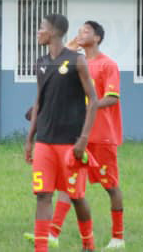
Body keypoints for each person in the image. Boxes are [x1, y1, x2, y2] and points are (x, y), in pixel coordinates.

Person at [25, 13, 99, 252]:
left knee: (76, 196)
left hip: (70, 142)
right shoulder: (41, 62)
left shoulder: (77, 60)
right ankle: (41, 248)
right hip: (45, 141)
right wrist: (30, 140)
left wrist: (83, 139)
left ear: (55, 32)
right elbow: (38, 102)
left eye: (41, 27)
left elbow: (94, 100)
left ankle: (88, 242)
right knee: (43, 195)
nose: (38, 31)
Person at [48, 21, 125, 249]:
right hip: (77, 134)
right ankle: (53, 233)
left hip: (102, 136)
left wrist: (89, 108)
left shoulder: (108, 65)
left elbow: (112, 97)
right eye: (79, 30)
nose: (81, 33)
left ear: (98, 38)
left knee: (110, 186)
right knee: (67, 183)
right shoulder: (75, 62)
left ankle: (118, 237)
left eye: (86, 31)